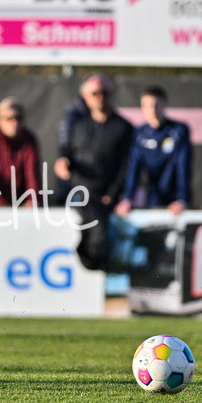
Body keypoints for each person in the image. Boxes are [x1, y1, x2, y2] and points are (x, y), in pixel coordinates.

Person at [54, 74, 132, 271]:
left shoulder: (123, 128)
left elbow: (127, 167)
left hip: (105, 196)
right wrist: (63, 162)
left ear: (111, 95)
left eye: (104, 93)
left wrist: (111, 195)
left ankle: (97, 265)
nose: (100, 97)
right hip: (79, 194)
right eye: (95, 93)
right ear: (85, 97)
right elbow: (67, 157)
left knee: (98, 229)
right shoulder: (77, 127)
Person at [115, 86, 192, 217]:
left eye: (156, 104)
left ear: (165, 105)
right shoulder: (140, 134)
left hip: (176, 199)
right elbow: (134, 168)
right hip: (153, 197)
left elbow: (183, 167)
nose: (152, 110)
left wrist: (182, 199)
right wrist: (128, 198)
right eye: (147, 105)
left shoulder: (178, 131)